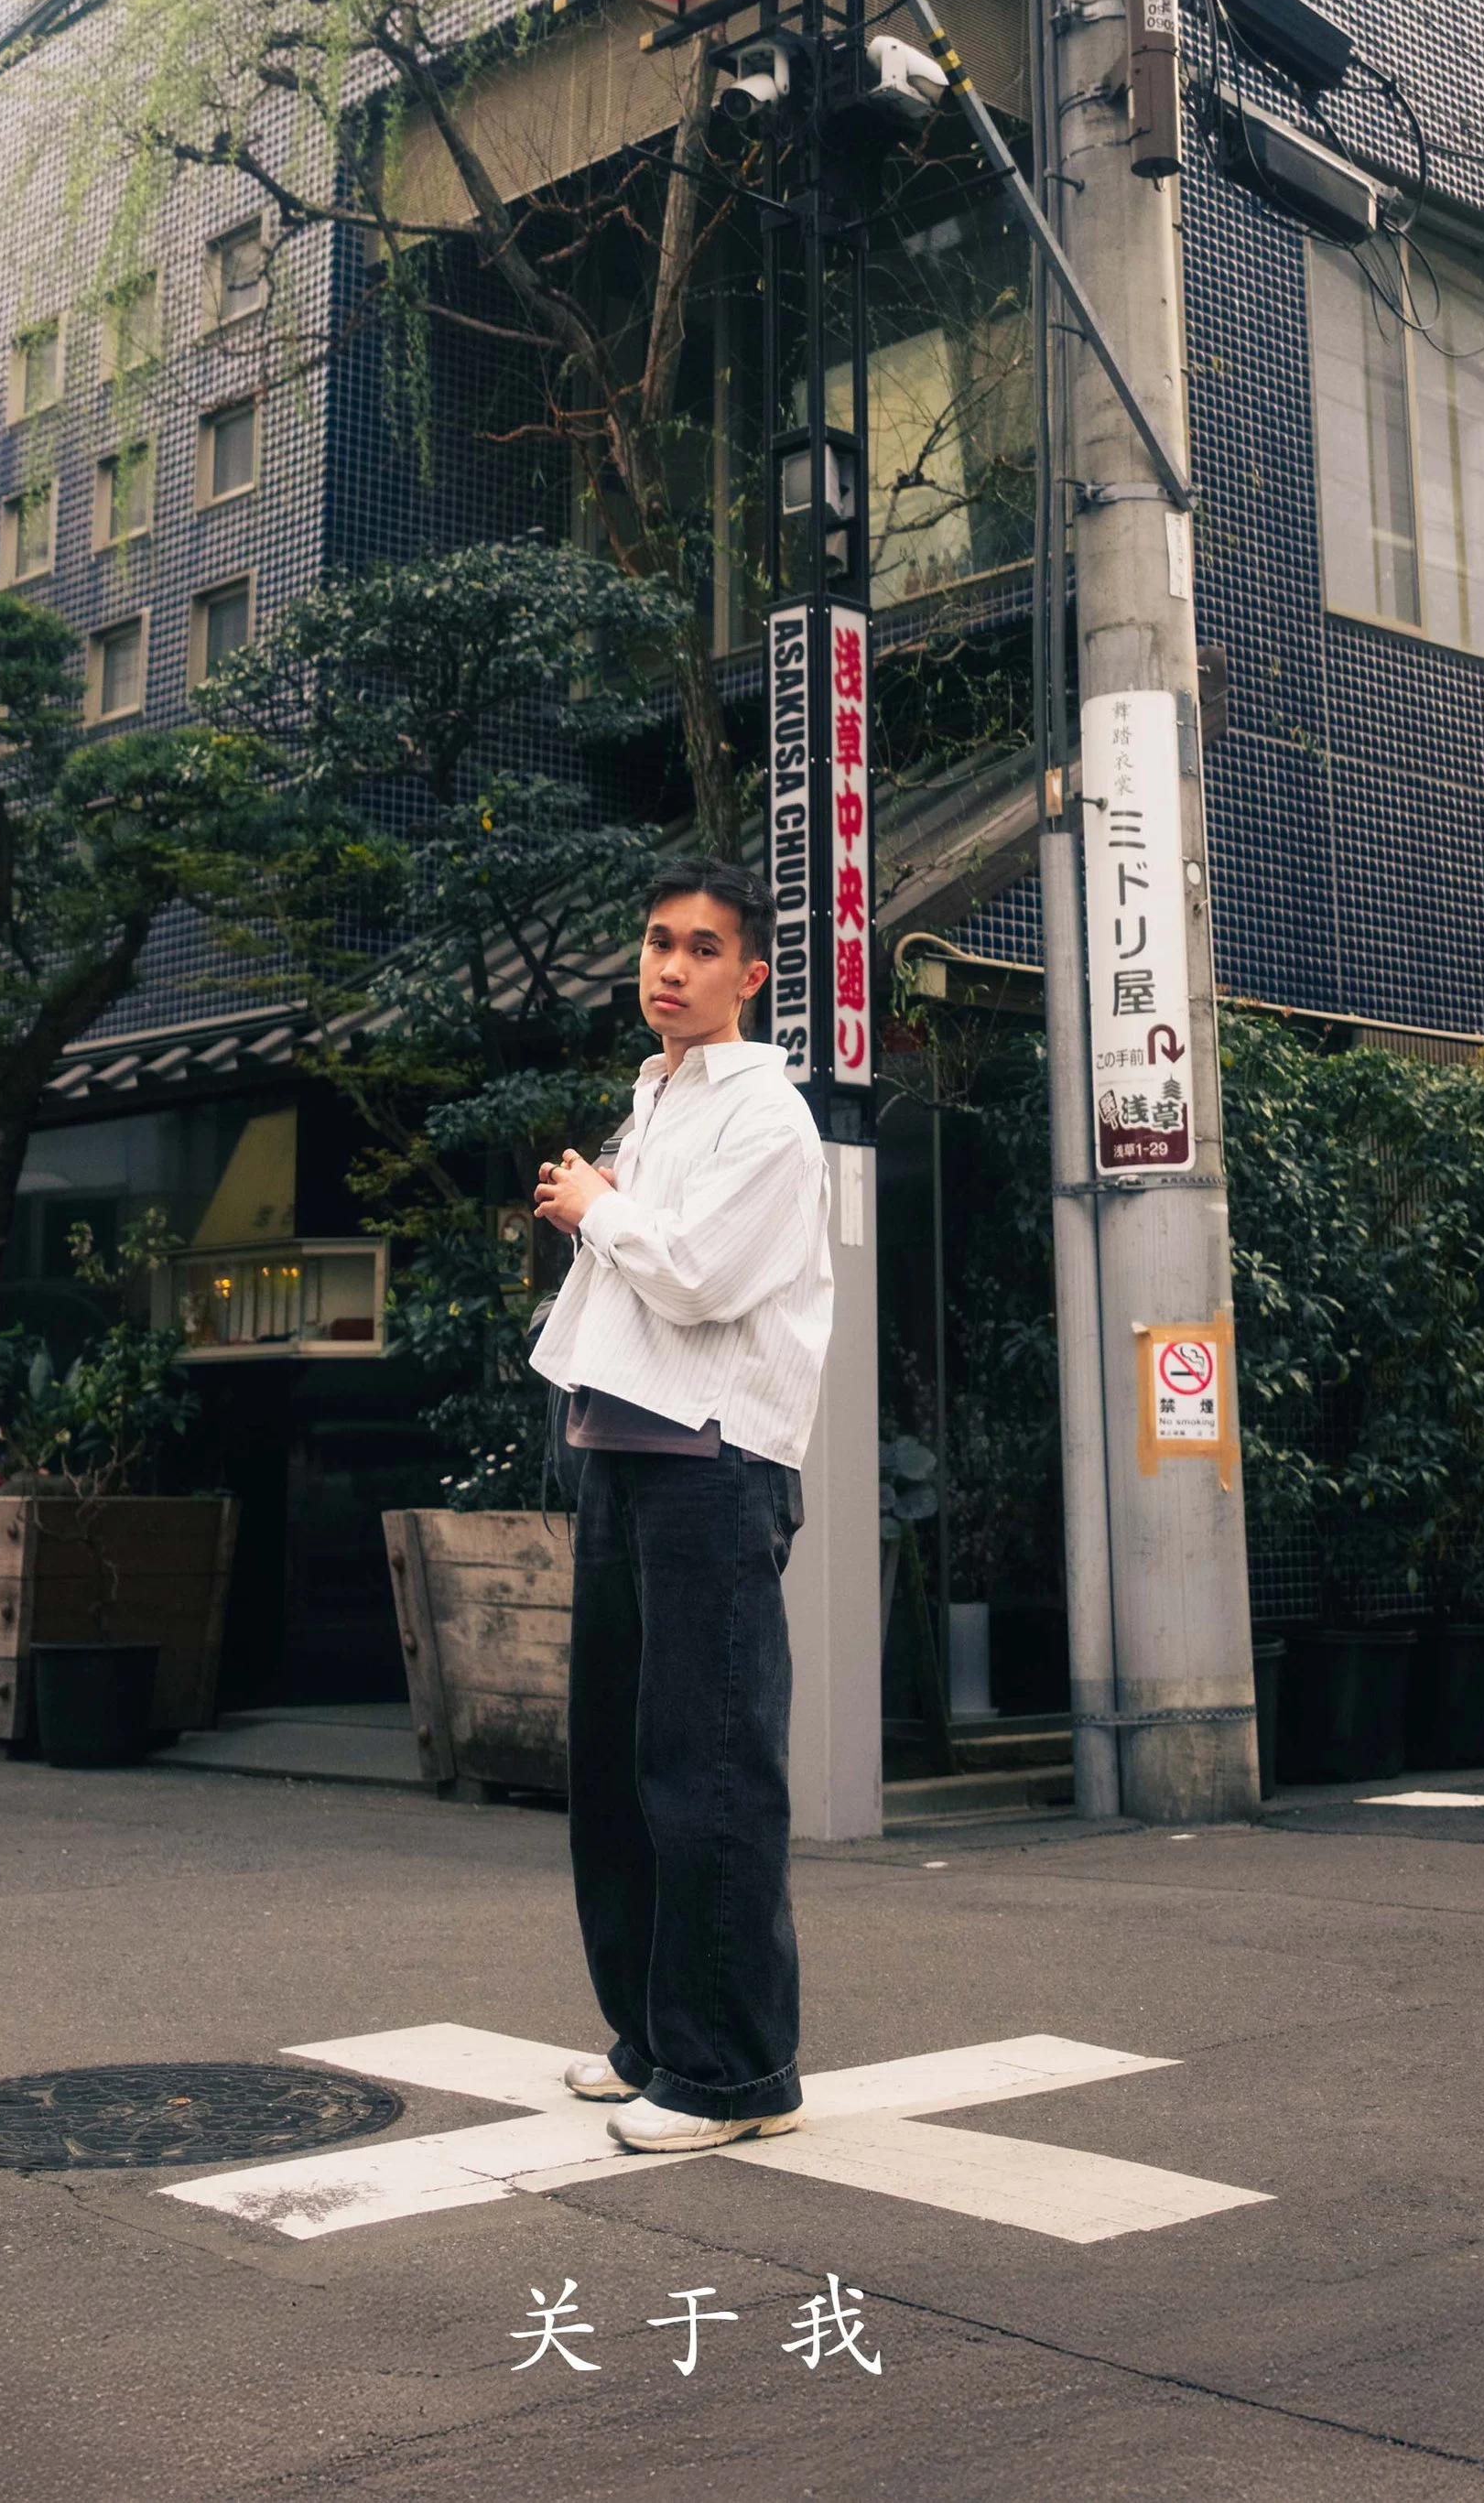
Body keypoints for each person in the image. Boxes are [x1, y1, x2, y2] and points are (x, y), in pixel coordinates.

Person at [529, 854, 834, 2154]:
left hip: (713, 1463)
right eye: (659, 941)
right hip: (624, 1446)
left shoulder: (767, 1116)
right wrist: (606, 1203)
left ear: (752, 975)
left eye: (704, 948)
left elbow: (700, 1276)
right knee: (618, 1764)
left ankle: (732, 2075)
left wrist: (596, 1206)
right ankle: (657, 2035)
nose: (672, 965)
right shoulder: (655, 1094)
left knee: (706, 1766)